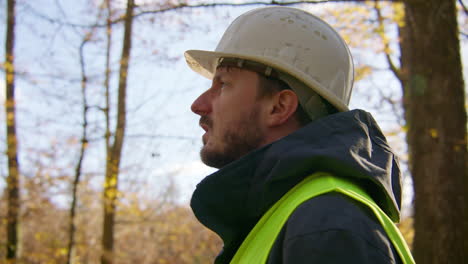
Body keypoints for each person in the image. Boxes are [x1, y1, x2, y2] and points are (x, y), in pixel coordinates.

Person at [185, 6, 413, 264]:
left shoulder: (327, 225)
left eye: (223, 84)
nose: (198, 105)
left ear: (279, 107)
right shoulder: (290, 219)